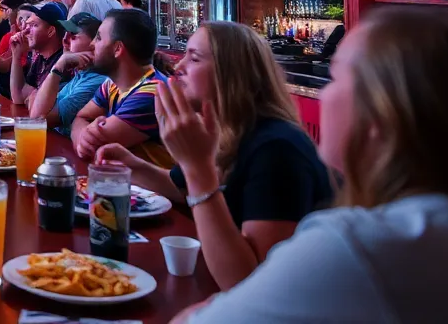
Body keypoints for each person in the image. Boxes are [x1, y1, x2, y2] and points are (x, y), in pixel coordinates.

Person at [173, 8, 448, 323]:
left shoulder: (355, 247)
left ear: (380, 113)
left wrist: (198, 170)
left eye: (333, 76)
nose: (323, 93)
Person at [98, 22, 330, 290]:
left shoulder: (277, 149)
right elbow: (180, 187)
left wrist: (198, 169)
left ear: (231, 74)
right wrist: (130, 165)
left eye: (194, 58)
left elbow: (251, 283)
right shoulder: (224, 131)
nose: (179, 66)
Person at [70, 9, 172, 167]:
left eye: (98, 38)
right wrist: (81, 141)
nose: (91, 44)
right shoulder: (112, 84)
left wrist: (82, 141)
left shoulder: (153, 93)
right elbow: (80, 118)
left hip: (155, 191)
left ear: (118, 49)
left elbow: (100, 150)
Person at [31, 13, 106, 132]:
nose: (65, 41)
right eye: (65, 35)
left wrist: (57, 68)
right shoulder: (82, 75)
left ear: (93, 44)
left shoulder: (96, 82)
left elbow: (37, 120)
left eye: (73, 36)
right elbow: (32, 103)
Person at [9, 4, 65, 108]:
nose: (26, 31)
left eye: (34, 25)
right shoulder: (42, 59)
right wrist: (16, 55)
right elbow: (19, 97)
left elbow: (39, 107)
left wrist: (32, 97)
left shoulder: (63, 62)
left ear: (51, 31)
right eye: (28, 25)